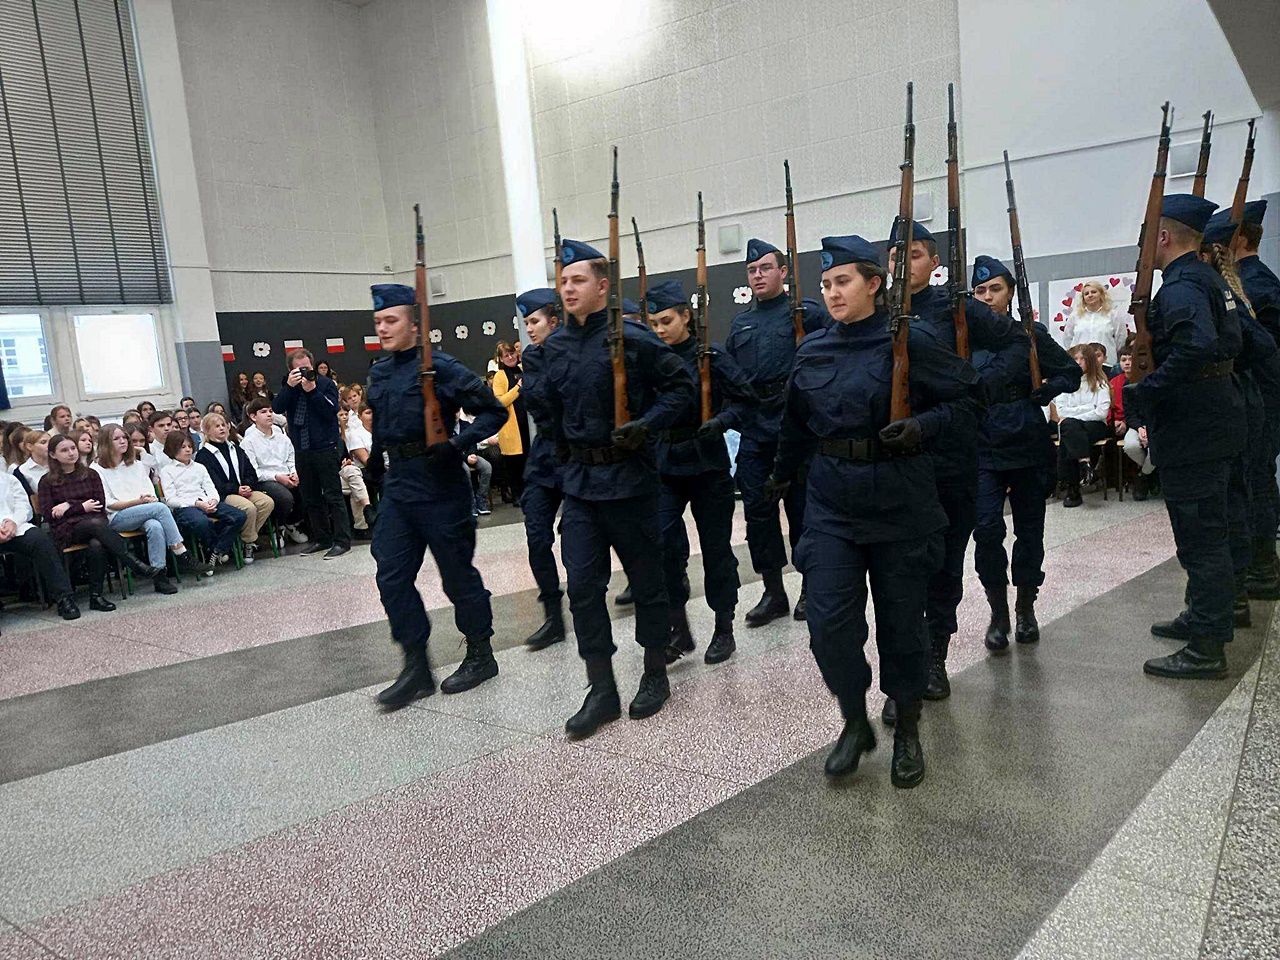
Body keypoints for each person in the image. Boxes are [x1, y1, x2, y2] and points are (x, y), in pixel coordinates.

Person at [770, 235, 982, 787]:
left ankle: (907, 728)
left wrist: (922, 427)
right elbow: (794, 424)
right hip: (831, 504)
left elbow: (968, 401)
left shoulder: (912, 340)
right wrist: (777, 476)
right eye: (825, 285)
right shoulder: (812, 350)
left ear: (874, 283)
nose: (832, 293)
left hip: (899, 501)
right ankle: (853, 721)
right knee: (828, 624)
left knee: (903, 626)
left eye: (842, 282)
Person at [538, 240, 697, 737]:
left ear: (603, 286)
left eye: (578, 280)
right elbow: (549, 411)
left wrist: (647, 426)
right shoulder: (554, 348)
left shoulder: (634, 338)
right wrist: (562, 454)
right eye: (563, 281)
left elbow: (682, 388)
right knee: (583, 588)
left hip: (630, 481)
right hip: (581, 487)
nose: (568, 288)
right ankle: (602, 688)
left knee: (648, 582)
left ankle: (654, 672)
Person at [884, 221, 1019, 721]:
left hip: (950, 455)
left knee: (943, 563)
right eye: (895, 255)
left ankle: (934, 657)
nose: (903, 263)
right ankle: (904, 667)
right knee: (899, 570)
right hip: (894, 460)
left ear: (935, 263)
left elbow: (1017, 344)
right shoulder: (877, 310)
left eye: (914, 254)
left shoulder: (955, 307)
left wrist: (979, 384)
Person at [363, 283, 508, 707]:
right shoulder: (380, 372)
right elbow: (382, 427)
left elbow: (494, 411)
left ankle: (481, 654)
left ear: (414, 324)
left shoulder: (440, 367)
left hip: (441, 485)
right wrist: (375, 467)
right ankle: (417, 667)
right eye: (378, 322)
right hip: (399, 486)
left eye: (391, 320)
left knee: (457, 576)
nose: (383, 328)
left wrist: (458, 443)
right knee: (391, 576)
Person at [1125, 195, 1245, 679]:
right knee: (1207, 532)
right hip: (1213, 418)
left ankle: (1206, 647)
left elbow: (1196, 344)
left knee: (1200, 539)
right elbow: (1232, 342)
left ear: (1163, 236)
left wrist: (1147, 390)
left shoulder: (1181, 287)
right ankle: (1202, 616)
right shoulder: (1207, 278)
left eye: (1144, 236)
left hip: (1194, 427)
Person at [970, 255, 1081, 663]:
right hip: (982, 445)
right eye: (980, 291)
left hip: (1027, 442)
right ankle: (998, 613)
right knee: (986, 530)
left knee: (1030, 532)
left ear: (1011, 293)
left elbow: (1071, 372)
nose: (987, 297)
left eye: (995, 289)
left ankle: (1025, 609)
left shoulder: (1029, 335)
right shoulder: (966, 337)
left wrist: (1047, 390)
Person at [645, 278, 756, 664]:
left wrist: (722, 420)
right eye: (653, 324)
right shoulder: (651, 360)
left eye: (666, 321)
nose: (660, 330)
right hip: (666, 464)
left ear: (686, 317)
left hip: (707, 463)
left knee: (715, 549)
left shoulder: (711, 356)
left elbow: (746, 400)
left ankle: (724, 628)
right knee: (662, 545)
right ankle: (679, 627)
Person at [723, 239, 830, 626]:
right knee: (758, 515)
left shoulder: (806, 313)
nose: (758, 275)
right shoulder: (741, 324)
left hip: (796, 427)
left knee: (803, 513)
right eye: (752, 270)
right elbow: (732, 377)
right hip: (755, 429)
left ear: (783, 272)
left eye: (766, 268)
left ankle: (809, 588)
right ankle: (773, 592)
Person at [1205, 201, 1280, 600]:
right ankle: (1260, 565)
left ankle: (1261, 568)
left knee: (1255, 483)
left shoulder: (1253, 284)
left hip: (1258, 395)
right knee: (1256, 481)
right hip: (1260, 395)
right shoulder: (1255, 279)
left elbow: (1262, 348)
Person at [38, 435, 162, 610]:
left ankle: (96, 596)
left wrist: (68, 506)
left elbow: (99, 503)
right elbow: (49, 514)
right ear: (53, 455)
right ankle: (133, 563)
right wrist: (80, 506)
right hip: (66, 529)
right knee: (96, 525)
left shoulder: (90, 474)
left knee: (97, 543)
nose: (71, 453)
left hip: (95, 523)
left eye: (73, 448)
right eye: (64, 450)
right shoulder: (47, 481)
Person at [94, 424, 213, 591]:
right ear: (106, 443)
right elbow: (109, 504)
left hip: (145, 510)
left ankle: (160, 576)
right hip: (117, 516)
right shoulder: (97, 469)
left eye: (124, 437)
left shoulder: (135, 464)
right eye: (116, 438)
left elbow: (149, 490)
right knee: (160, 508)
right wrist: (139, 502)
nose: (123, 441)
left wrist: (149, 499)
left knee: (155, 526)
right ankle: (181, 553)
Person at [514, 288, 567, 648]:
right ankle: (553, 615)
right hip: (544, 454)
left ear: (554, 321)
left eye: (535, 321)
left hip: (575, 452)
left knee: (583, 538)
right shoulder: (532, 357)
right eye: (526, 322)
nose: (529, 329)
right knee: (536, 536)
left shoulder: (572, 352)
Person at [273, 349, 349, 558]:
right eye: (299, 370)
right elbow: (277, 408)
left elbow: (329, 412)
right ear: (290, 370)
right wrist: (289, 387)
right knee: (311, 497)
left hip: (325, 447)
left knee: (333, 495)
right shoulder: (289, 387)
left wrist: (313, 391)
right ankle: (322, 538)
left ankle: (342, 541)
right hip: (302, 449)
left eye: (307, 368)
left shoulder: (325, 384)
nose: (304, 373)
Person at [0, 468, 81, 619]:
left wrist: (13, 522)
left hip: (14, 527)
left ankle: (64, 598)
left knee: (40, 540)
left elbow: (24, 507)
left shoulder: (8, 479)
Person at [196, 412, 276, 563]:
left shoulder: (235, 448)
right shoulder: (204, 455)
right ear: (207, 431)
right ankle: (249, 543)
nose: (222, 428)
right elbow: (214, 482)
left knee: (266, 502)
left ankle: (245, 539)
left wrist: (248, 485)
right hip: (224, 494)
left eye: (223, 425)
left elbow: (250, 471)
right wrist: (236, 489)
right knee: (248, 508)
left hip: (243, 489)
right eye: (217, 426)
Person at [159, 431, 247, 565]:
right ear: (172, 448)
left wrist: (213, 500)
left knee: (239, 516)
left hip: (206, 501)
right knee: (202, 522)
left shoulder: (199, 467)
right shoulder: (167, 470)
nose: (188, 450)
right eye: (183, 447)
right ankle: (214, 550)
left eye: (189, 446)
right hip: (186, 507)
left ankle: (215, 550)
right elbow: (171, 499)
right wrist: (197, 503)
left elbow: (210, 487)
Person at [240, 398, 308, 543]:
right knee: (284, 497)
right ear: (253, 417)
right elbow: (254, 471)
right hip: (265, 479)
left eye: (270, 411)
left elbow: (290, 459)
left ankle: (292, 523)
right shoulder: (248, 441)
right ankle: (279, 527)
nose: (269, 415)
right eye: (263, 412)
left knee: (308, 488)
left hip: (286, 474)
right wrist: (277, 477)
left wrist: (294, 472)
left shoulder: (282, 437)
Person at [1053, 344, 1111, 507]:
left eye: (1082, 359)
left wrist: (1075, 416)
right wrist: (1088, 408)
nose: (1078, 362)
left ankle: (1073, 489)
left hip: (1095, 426)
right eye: (1075, 359)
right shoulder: (1065, 384)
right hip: (1074, 428)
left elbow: (1101, 413)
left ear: (1090, 361)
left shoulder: (1100, 382)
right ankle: (1084, 464)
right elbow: (1061, 411)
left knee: (1069, 430)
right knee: (1071, 431)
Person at [1110, 342, 1157, 499]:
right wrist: (1140, 429)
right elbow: (1130, 414)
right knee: (1130, 446)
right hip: (1136, 425)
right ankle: (1150, 473)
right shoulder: (1127, 386)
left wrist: (1149, 429)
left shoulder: (1155, 379)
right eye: (1124, 360)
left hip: (1156, 424)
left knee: (1156, 448)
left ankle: (1143, 476)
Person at [491, 341, 529, 509]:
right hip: (511, 427)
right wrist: (518, 388)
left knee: (528, 460)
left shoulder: (523, 370)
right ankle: (517, 495)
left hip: (527, 424)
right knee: (514, 464)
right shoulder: (499, 376)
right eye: (506, 356)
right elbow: (500, 402)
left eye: (512, 353)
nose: (510, 357)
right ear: (501, 359)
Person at [1057, 280, 1131, 362]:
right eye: (1086, 294)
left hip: (1106, 363)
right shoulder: (1075, 316)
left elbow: (1121, 339)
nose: (1090, 295)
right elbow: (1067, 339)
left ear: (1101, 294)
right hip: (1081, 364)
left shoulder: (1113, 315)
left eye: (1093, 292)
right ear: (1083, 298)